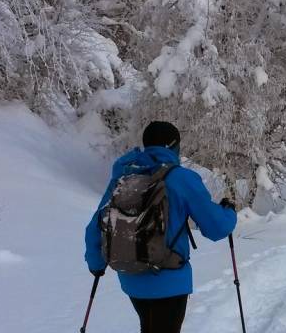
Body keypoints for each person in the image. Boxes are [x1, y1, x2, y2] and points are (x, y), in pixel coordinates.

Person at [84, 121, 237, 333]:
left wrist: (96, 264)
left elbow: (96, 225)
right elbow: (216, 227)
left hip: (130, 277)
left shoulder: (123, 175)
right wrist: (229, 212)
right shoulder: (181, 178)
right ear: (175, 147)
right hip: (169, 280)